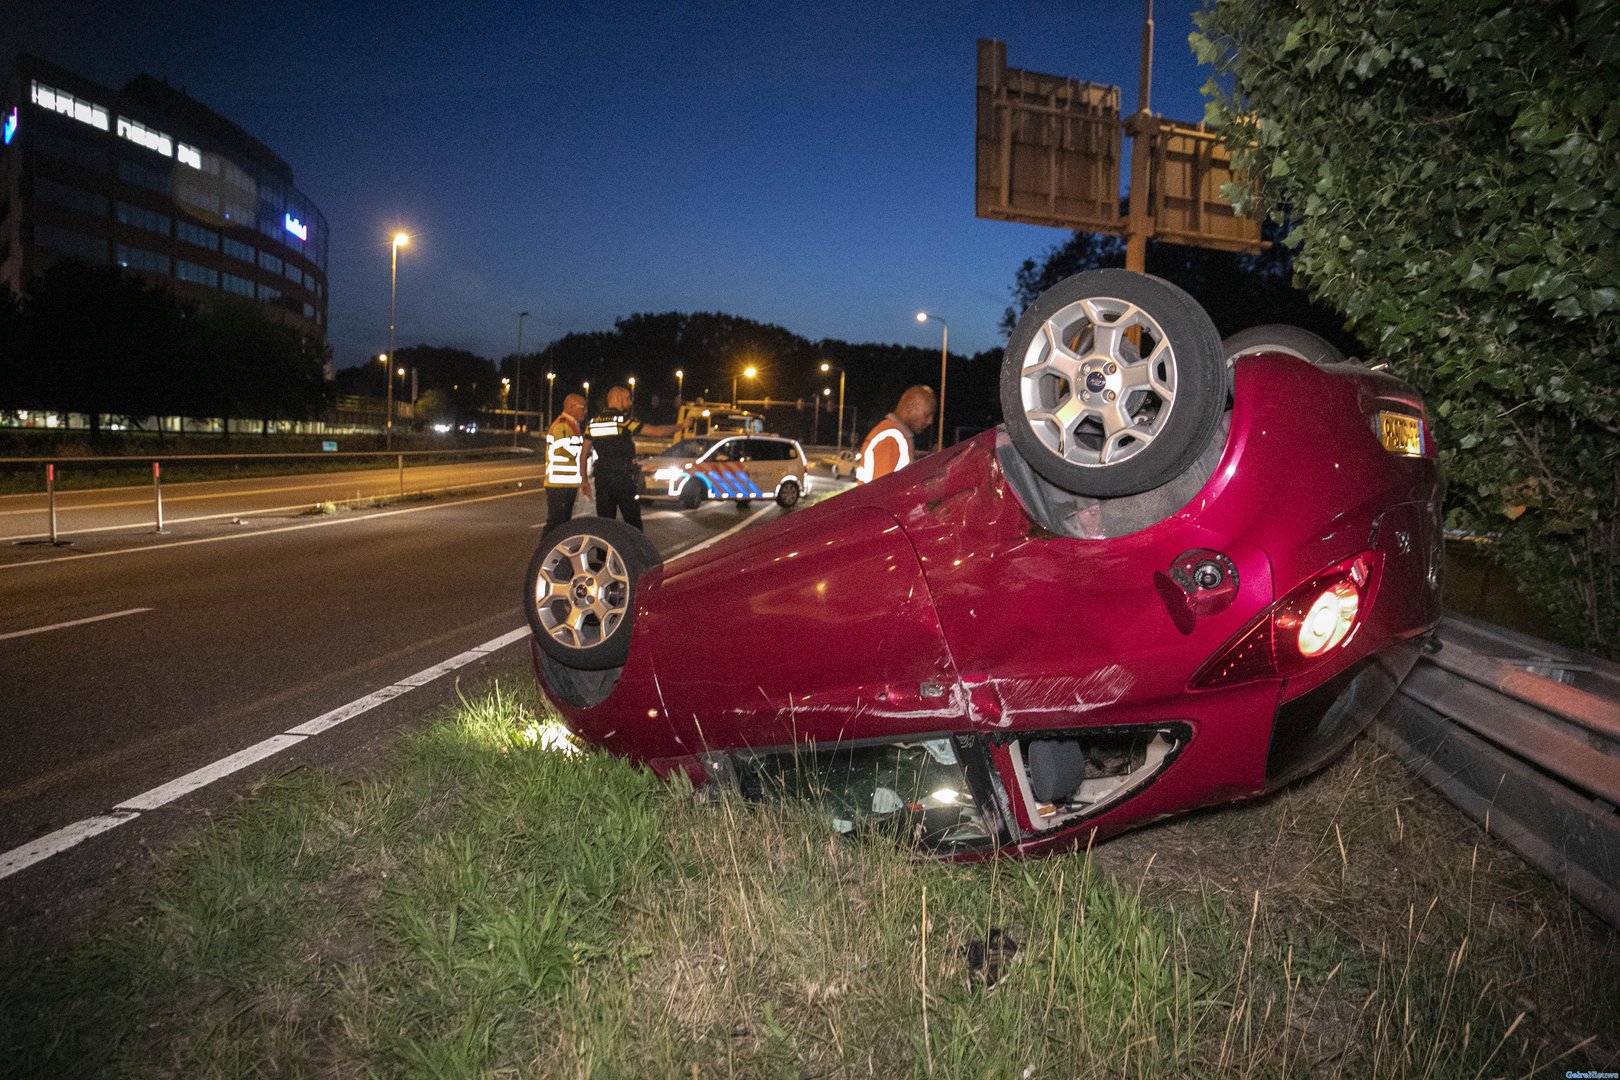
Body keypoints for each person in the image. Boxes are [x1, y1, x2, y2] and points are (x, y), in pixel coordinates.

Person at [587, 385, 678, 530]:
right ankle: (637, 552)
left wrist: (584, 480)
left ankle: (603, 552)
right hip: (623, 479)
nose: (630, 403)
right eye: (628, 399)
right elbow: (658, 432)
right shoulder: (624, 421)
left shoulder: (593, 423)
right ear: (618, 399)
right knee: (633, 523)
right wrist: (681, 426)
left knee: (605, 525)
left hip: (602, 479)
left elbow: (584, 452)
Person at [855, 385, 936, 483]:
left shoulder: (894, 434)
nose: (930, 421)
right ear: (911, 406)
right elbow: (883, 492)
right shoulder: (891, 438)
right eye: (927, 414)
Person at [543, 393, 591, 535]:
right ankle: (545, 553)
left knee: (562, 523)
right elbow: (565, 450)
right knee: (555, 523)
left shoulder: (571, 425)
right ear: (571, 407)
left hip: (566, 482)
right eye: (583, 407)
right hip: (559, 484)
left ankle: (557, 553)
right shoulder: (563, 426)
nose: (585, 411)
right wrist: (586, 450)